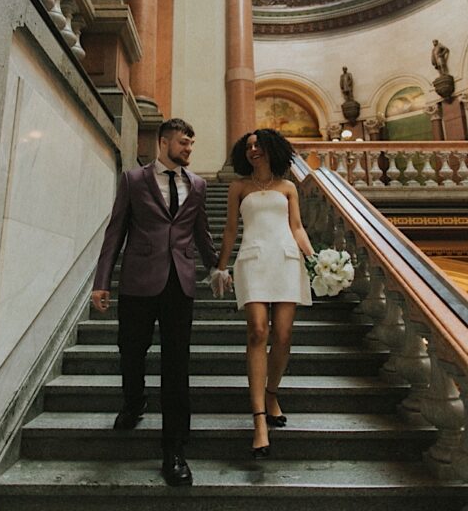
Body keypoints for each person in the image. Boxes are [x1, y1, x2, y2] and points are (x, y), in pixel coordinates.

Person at [91, 118, 219, 487]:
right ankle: (134, 401)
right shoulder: (134, 180)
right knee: (131, 350)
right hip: (138, 282)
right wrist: (103, 282)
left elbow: (202, 232)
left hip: (180, 284)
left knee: (176, 366)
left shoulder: (197, 185)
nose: (188, 150)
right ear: (163, 142)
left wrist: (217, 267)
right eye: (183, 143)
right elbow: (116, 230)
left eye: (192, 145)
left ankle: (174, 450)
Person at [215, 129, 314, 458]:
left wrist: (316, 260)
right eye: (248, 146)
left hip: (286, 259)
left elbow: (297, 226)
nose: (253, 150)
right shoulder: (238, 187)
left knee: (283, 336)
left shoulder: (288, 188)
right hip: (253, 260)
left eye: (258, 145)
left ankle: (272, 393)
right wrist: (221, 265)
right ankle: (258, 420)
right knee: (258, 330)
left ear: (272, 148)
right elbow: (231, 228)